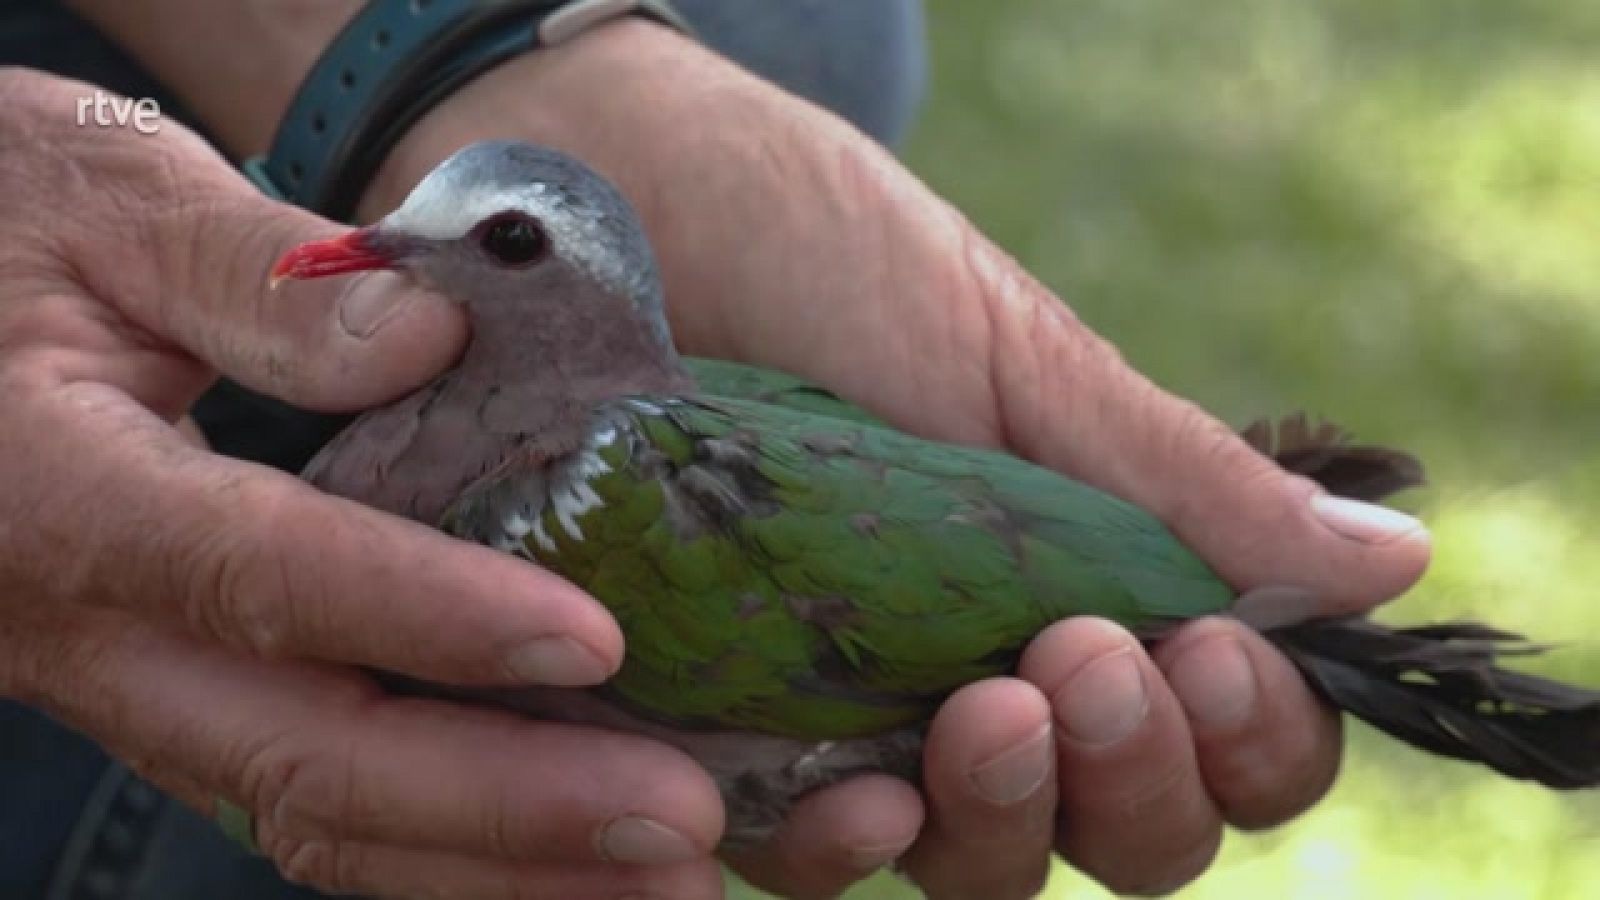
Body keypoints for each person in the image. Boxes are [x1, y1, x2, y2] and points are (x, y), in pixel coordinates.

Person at [0, 2, 1432, 898]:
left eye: (491, 247)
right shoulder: (506, 450)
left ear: (567, 292)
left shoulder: (578, 503)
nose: (382, 267)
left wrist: (428, 56)